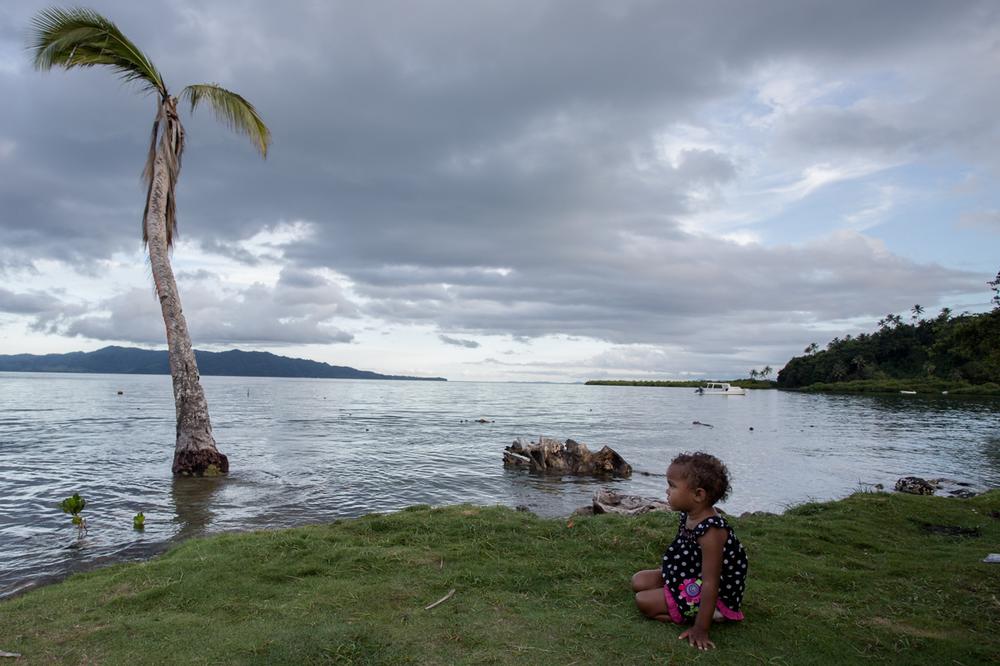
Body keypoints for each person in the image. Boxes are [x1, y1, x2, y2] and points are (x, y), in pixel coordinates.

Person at [631, 451, 748, 650]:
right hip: (689, 576)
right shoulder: (690, 515)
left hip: (711, 592)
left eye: (672, 486)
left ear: (698, 495)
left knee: (643, 601)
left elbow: (711, 582)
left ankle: (707, 615)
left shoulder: (711, 532)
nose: (667, 491)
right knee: (638, 580)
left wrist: (701, 629)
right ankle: (675, 601)